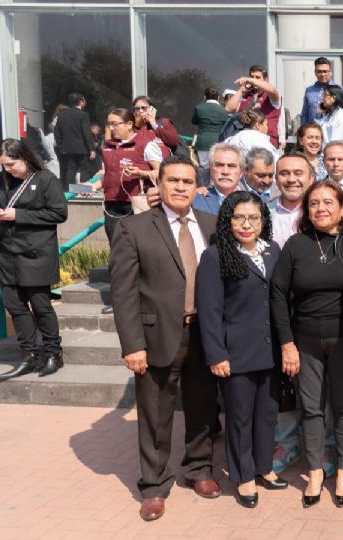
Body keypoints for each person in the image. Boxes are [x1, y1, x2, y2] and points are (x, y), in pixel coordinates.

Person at [109, 155, 220, 522]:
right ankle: (154, 485)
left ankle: (199, 469)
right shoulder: (134, 228)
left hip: (205, 335)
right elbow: (123, 292)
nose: (180, 187)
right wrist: (133, 345)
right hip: (156, 336)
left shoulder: (212, 224)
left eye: (188, 181)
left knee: (203, 408)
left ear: (196, 186)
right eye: (173, 180)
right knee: (155, 414)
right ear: (159, 182)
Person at [271, 180, 343, 508]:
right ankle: (316, 470)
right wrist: (287, 344)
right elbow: (278, 295)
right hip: (304, 341)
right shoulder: (296, 244)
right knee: (310, 408)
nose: (320, 208)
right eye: (313, 203)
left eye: (327, 202)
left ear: (341, 207)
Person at [197, 191, 285, 509]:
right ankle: (243, 473)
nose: (246, 224)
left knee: (266, 415)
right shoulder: (216, 256)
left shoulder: (273, 251)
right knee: (239, 417)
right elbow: (208, 311)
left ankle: (263, 467)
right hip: (235, 353)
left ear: (263, 220)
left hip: (269, 350)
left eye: (253, 217)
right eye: (239, 217)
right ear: (227, 220)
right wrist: (216, 354)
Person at [0, 139, 68, 381]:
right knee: (14, 305)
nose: (7, 170)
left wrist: (18, 215)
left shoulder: (45, 179)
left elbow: (59, 213)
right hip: (7, 251)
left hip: (35, 252)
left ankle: (53, 353)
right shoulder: (2, 179)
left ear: (24, 157)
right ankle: (29, 355)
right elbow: (2, 205)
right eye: (3, 165)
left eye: (11, 164)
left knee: (40, 305)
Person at [100, 107, 163, 241]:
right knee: (116, 247)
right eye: (109, 124)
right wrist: (90, 186)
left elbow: (163, 172)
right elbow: (108, 174)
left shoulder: (146, 144)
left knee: (139, 246)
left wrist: (141, 173)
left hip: (137, 204)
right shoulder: (108, 146)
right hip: (111, 205)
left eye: (115, 124)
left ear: (129, 124)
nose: (111, 128)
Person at [226, 65, 283, 149]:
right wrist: (241, 90)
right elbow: (229, 108)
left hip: (266, 142)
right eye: (252, 77)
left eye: (257, 77)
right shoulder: (246, 95)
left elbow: (273, 90)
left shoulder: (270, 96)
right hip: (245, 143)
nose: (254, 80)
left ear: (265, 79)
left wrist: (250, 80)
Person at [269, 154, 314, 247]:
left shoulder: (321, 213)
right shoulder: (263, 212)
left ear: (311, 178)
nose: (291, 179)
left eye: (298, 173)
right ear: (276, 179)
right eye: (284, 173)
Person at [54, 92, 93, 191]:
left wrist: (61, 146)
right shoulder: (83, 115)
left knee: (71, 170)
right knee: (85, 169)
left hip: (67, 149)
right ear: (80, 101)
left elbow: (56, 131)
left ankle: (70, 191)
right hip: (82, 148)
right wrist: (91, 149)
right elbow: (86, 133)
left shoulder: (62, 115)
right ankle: (83, 191)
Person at [192, 143, 244, 215]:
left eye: (231, 166)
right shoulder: (196, 201)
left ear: (241, 171)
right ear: (210, 169)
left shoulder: (254, 202)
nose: (225, 172)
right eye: (219, 165)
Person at [301, 57, 343, 127]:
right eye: (319, 71)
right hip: (313, 133)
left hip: (334, 133)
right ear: (315, 72)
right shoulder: (309, 91)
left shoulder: (340, 90)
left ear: (330, 72)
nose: (322, 74)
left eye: (325, 71)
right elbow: (304, 115)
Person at [192, 87, 229, 168]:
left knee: (204, 167)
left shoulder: (198, 108)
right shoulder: (224, 110)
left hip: (203, 142)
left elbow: (194, 122)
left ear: (205, 97)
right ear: (218, 97)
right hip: (219, 142)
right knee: (217, 167)